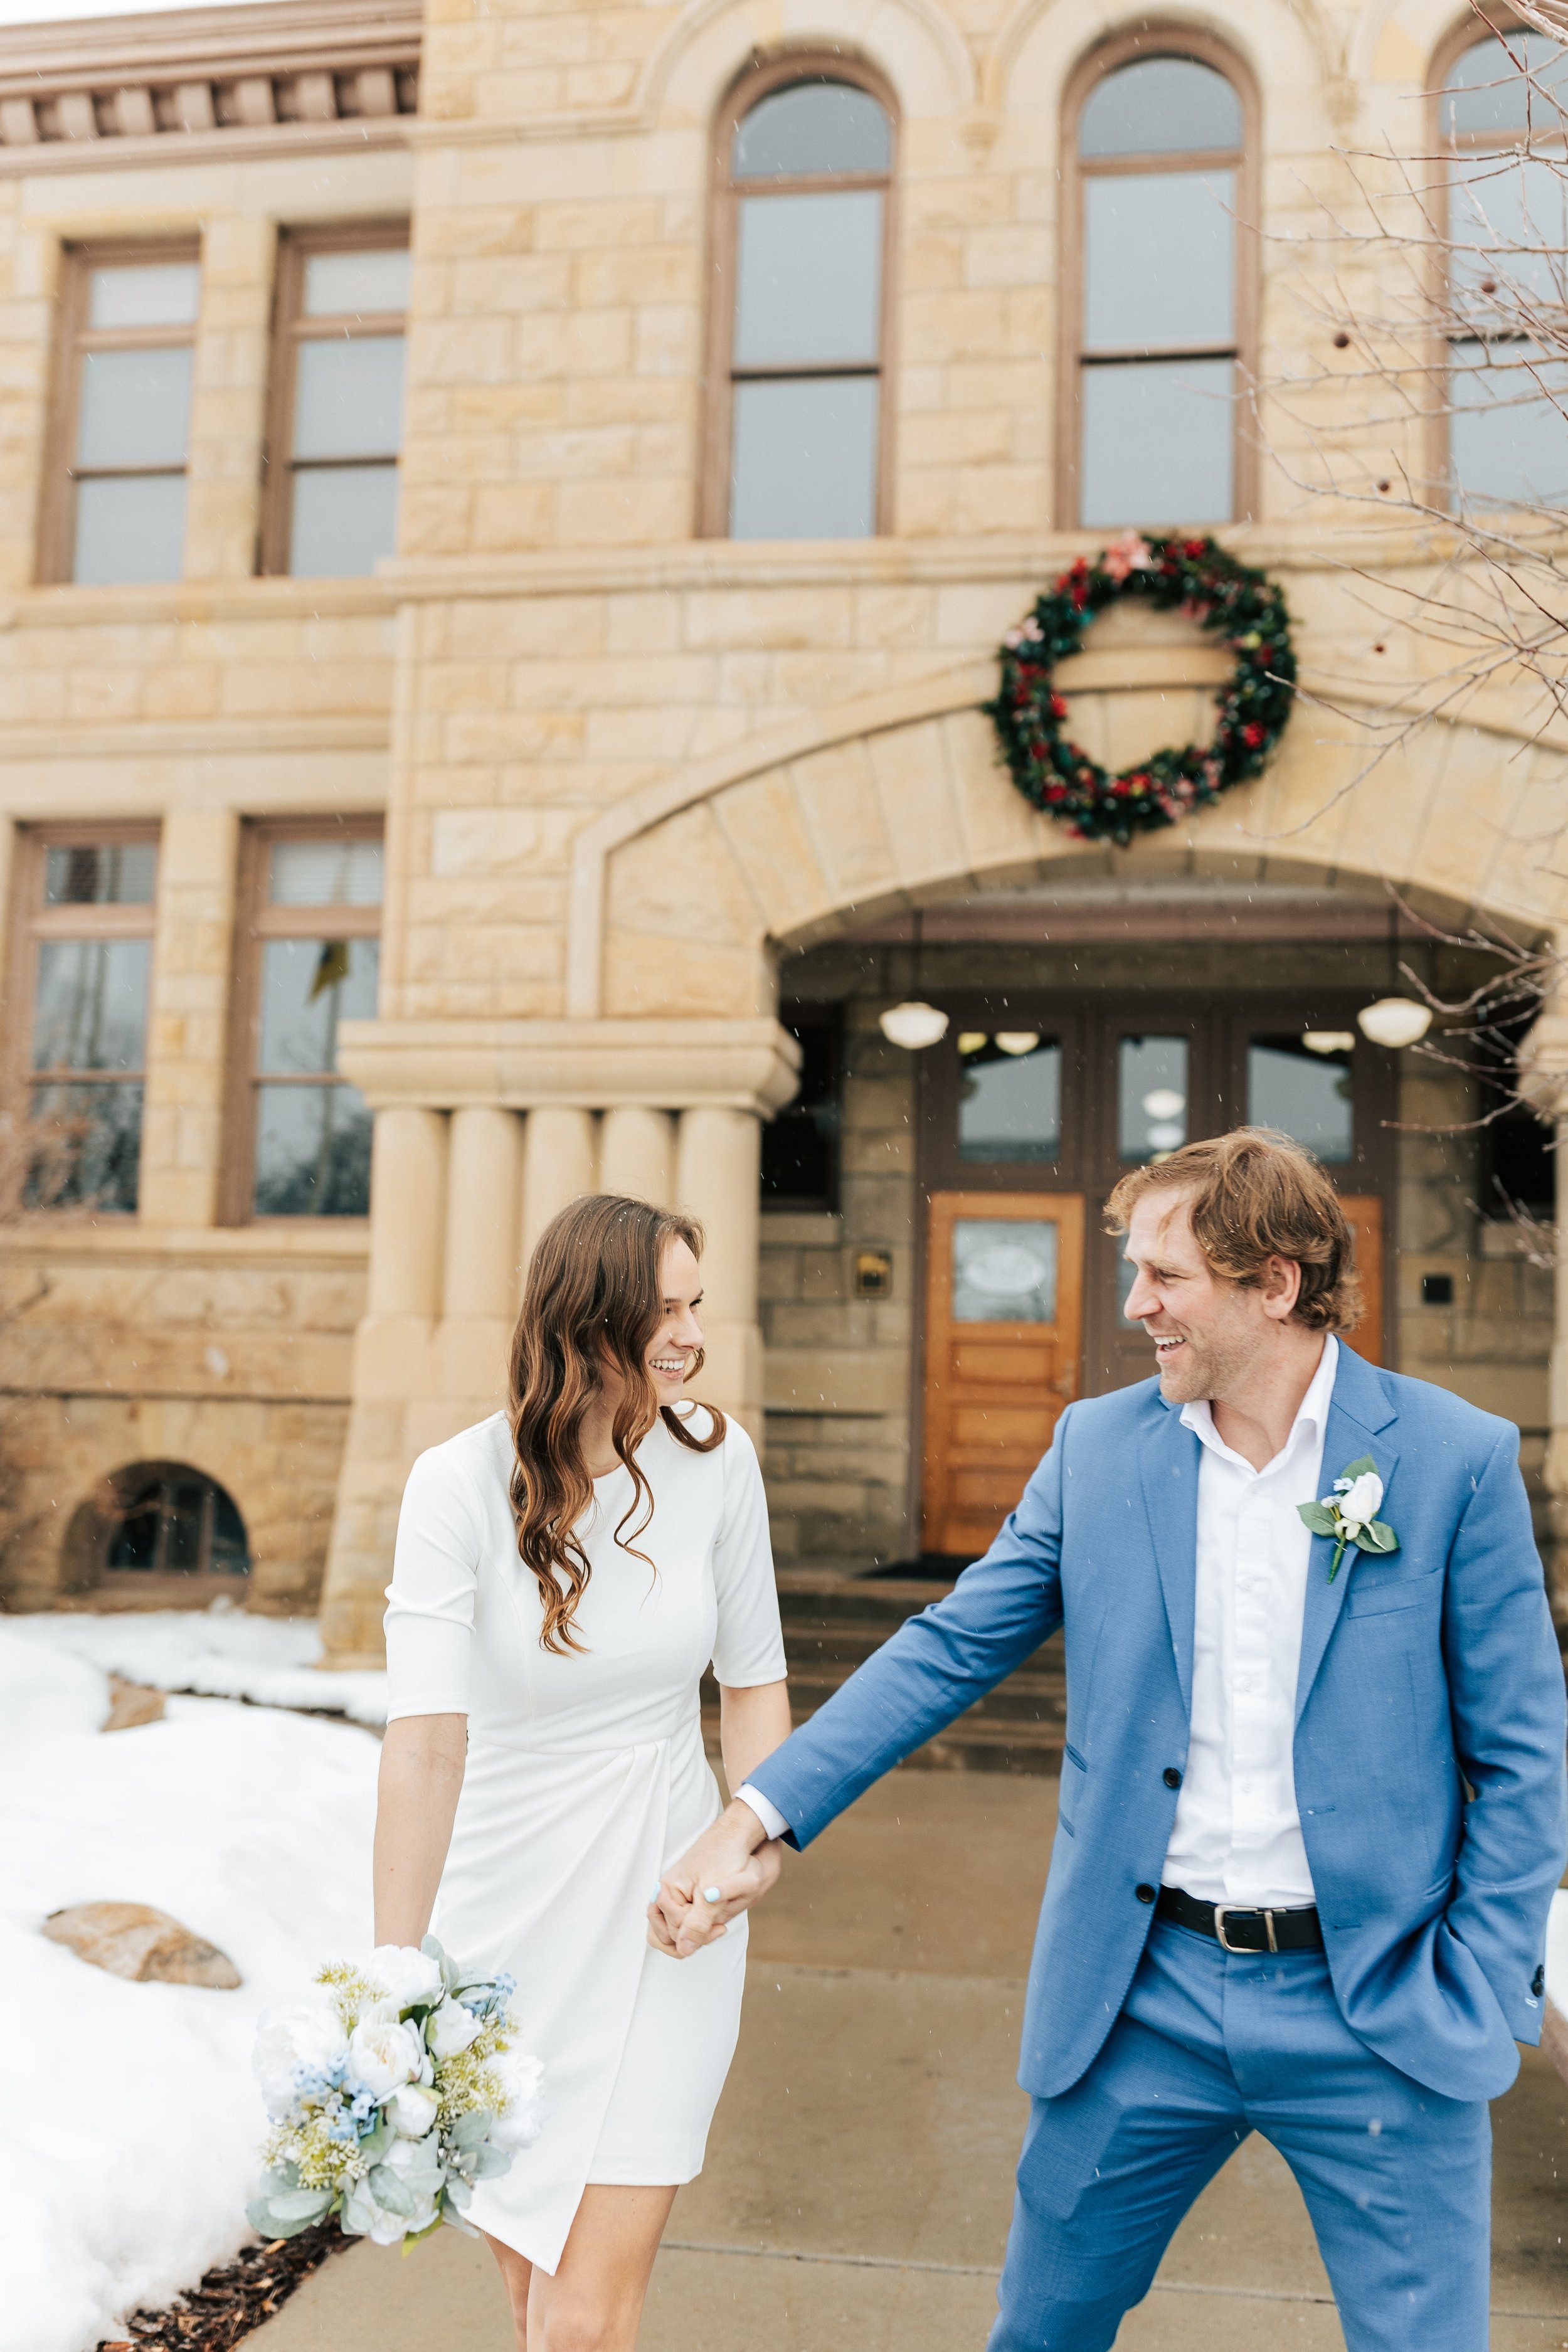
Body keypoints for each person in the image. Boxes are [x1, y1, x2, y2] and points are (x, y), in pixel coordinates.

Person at [652, 1128, 1568, 2352]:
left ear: (1276, 1282)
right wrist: (755, 1812)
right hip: (1143, 2000)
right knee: (1041, 2334)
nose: (1133, 1306)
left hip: (1380, 2012)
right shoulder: (1096, 1449)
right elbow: (949, 1646)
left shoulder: (1449, 1461)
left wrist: (1478, 1971)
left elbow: (1523, 1753)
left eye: (1164, 1277)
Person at [374, 1193, 790, 2352]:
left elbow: (752, 1681)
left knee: (583, 2316)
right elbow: (426, 1739)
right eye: (662, 1309)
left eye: (696, 1304)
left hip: (670, 1910)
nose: (690, 1335)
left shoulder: (718, 1461)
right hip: (507, 1924)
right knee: (532, 2293)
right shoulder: (455, 1485)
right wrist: (394, 1976)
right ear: (583, 1318)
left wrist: (748, 1849)